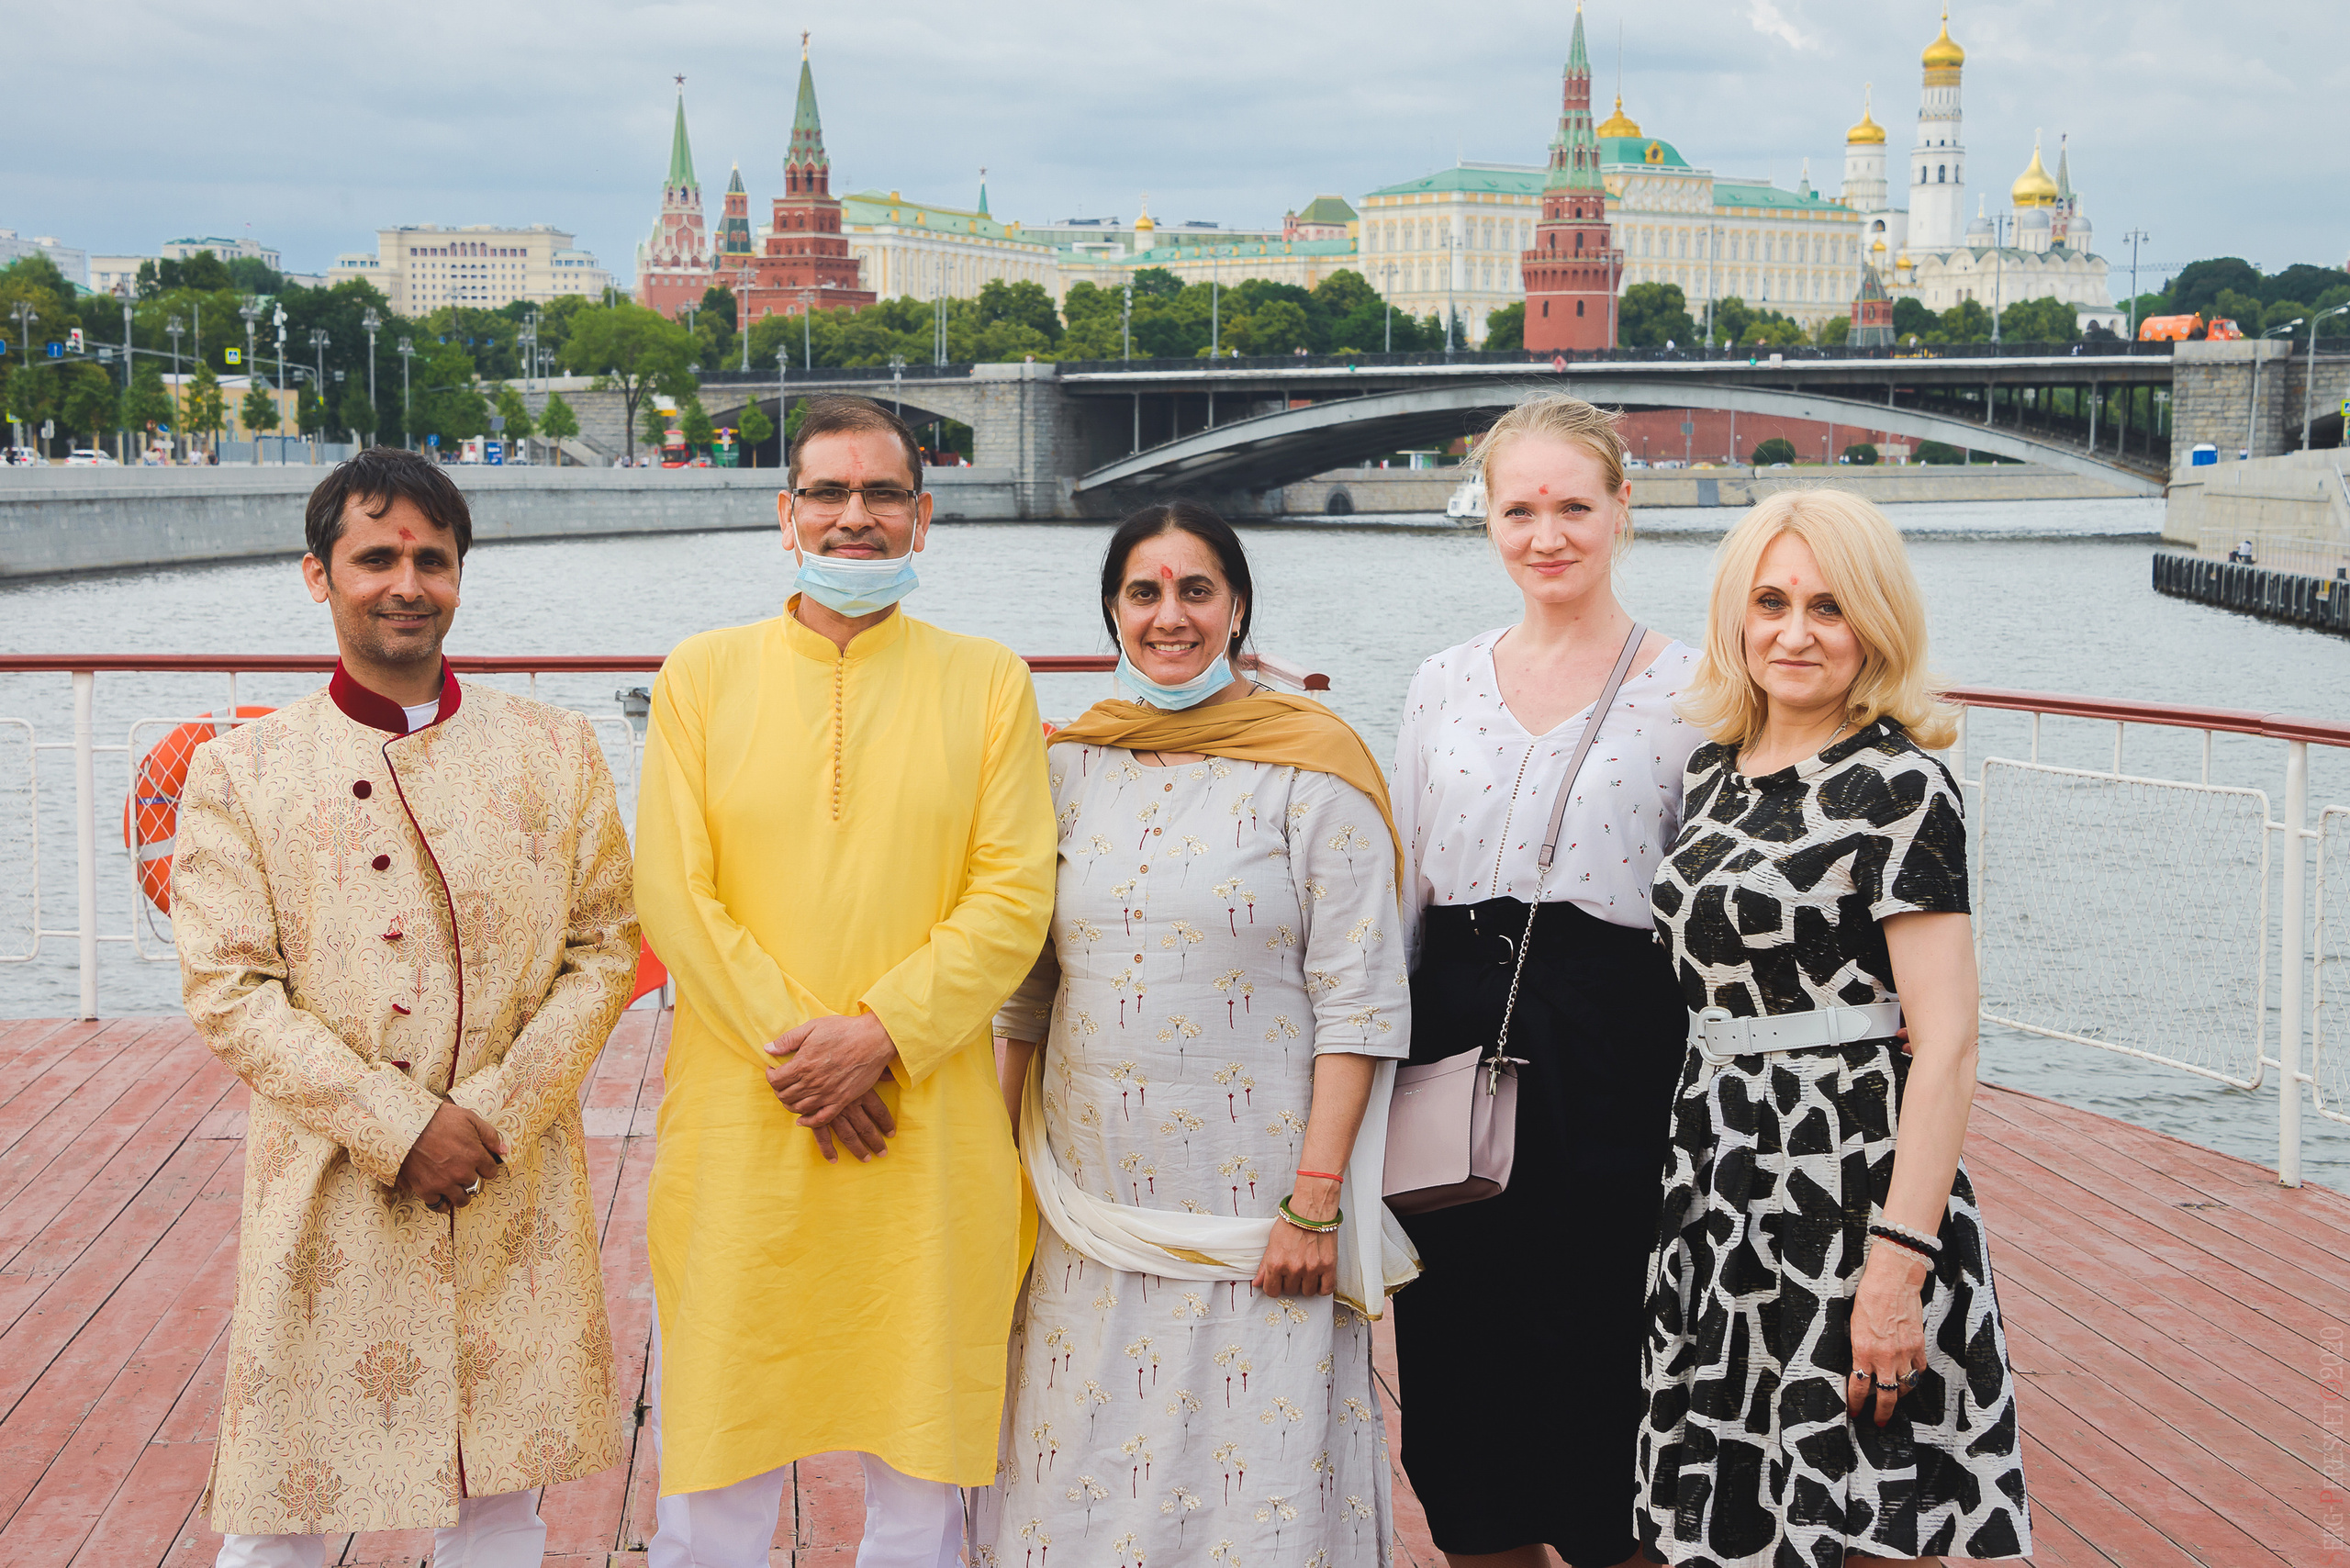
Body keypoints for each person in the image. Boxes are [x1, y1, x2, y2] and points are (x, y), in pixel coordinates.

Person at [173, 447, 641, 1568]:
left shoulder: (554, 750)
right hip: (328, 1181)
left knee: (501, 1496)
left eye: (432, 558)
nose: (406, 581)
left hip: (510, 1172)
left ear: (460, 577)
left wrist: (487, 1115)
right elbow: (229, 989)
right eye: (375, 555)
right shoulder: (243, 770)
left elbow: (606, 948)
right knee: (283, 1501)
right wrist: (398, 1126)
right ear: (316, 574)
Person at [632, 394, 1057, 1568]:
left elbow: (1013, 894)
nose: (853, 517)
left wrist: (883, 1034)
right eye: (828, 492)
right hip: (742, 1121)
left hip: (923, 1125)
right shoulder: (700, 678)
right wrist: (810, 1055)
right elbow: (673, 892)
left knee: (923, 1465)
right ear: (786, 516)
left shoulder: (988, 682)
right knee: (719, 1455)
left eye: (881, 495)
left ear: (923, 520)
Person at [975, 503, 1418, 1564]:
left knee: (1253, 1501)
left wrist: (1312, 1203)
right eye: (1144, 592)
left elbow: (1359, 1002)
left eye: (1195, 590)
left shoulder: (1316, 770)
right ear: (1112, 614)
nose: (1169, 616)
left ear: (1236, 607)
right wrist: (995, 1180)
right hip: (1086, 1216)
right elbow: (1027, 993)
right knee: (1078, 1491)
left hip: (1257, 1222)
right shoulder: (1067, 768)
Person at [1638, 488, 2030, 1566]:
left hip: (1847, 1180)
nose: (1794, 633)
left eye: (1828, 606)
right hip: (1721, 1183)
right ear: (1736, 614)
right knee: (1736, 1509)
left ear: (1874, 623)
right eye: (1770, 601)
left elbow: (1945, 1040)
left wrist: (1898, 1266)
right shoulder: (1713, 768)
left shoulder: (1902, 786)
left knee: (1858, 1505)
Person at [1389, 393, 1702, 1568]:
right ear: (1488, 520)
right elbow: (1410, 882)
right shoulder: (1442, 681)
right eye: (1519, 508)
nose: (1547, 533)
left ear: (1623, 507)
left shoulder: (1694, 686)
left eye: (1574, 504)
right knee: (1461, 1383)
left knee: (1602, 1374)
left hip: (1616, 1046)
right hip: (1458, 1030)